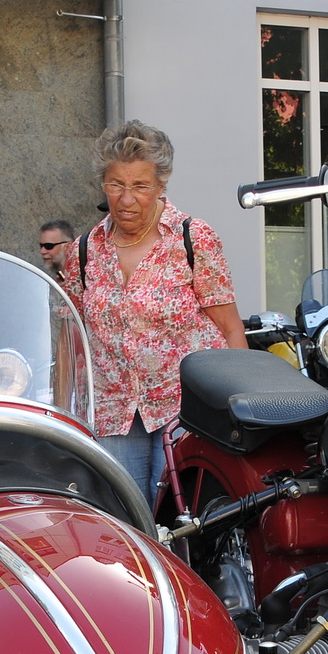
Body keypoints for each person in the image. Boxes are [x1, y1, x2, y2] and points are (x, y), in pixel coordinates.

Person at [58, 121, 245, 503]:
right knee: (124, 518)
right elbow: (69, 340)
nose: (127, 199)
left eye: (140, 186)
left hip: (185, 410)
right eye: (116, 185)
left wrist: (235, 409)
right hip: (113, 411)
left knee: (180, 518)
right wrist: (62, 415)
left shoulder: (193, 238)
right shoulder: (83, 251)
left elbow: (229, 328)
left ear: (161, 186)